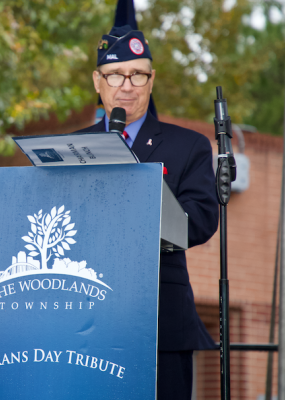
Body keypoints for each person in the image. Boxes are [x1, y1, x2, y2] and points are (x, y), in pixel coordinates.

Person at [77, 25, 219, 399]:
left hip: (159, 320)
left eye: (137, 73)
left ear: (151, 80)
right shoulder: (73, 149)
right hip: (81, 321)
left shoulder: (188, 146)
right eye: (115, 75)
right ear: (97, 81)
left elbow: (200, 222)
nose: (127, 85)